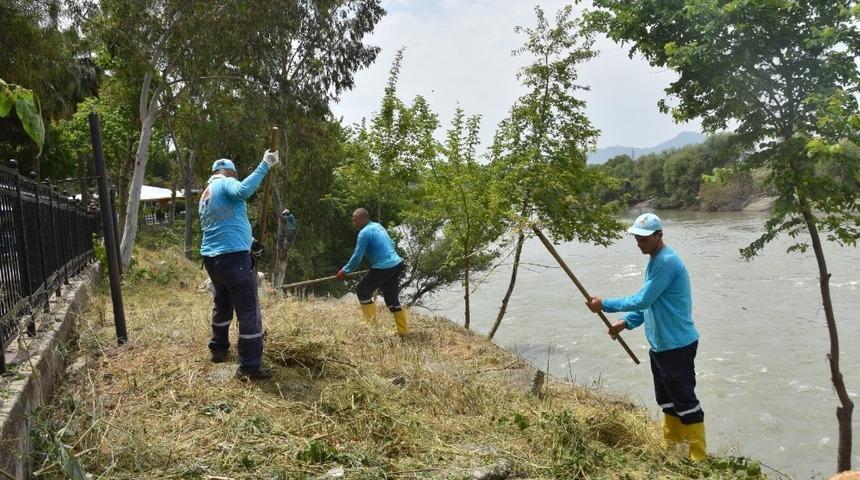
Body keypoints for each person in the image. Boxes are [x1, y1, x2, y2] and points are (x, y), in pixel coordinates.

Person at [584, 213, 706, 461]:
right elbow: (651, 304)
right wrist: (626, 322)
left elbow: (643, 299)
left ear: (660, 235)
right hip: (661, 345)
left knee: (685, 401)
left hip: (677, 345)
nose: (639, 243)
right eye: (637, 238)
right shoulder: (655, 260)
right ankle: (671, 448)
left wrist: (604, 305)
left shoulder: (666, 262)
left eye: (644, 238)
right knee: (667, 401)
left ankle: (699, 458)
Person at [199, 150, 279, 380]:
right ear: (231, 172)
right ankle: (249, 366)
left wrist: (251, 243)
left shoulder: (206, 194)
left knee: (223, 303)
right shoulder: (226, 183)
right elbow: (243, 191)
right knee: (248, 312)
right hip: (234, 259)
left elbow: (225, 225)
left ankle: (218, 348)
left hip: (214, 260)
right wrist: (265, 164)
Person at [337, 208, 408, 336]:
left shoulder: (364, 233)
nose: (354, 223)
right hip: (396, 264)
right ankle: (402, 331)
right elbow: (391, 243)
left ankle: (371, 327)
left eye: (355, 220)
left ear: (363, 218)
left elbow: (357, 255)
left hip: (384, 266)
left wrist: (345, 270)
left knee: (362, 291)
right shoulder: (378, 226)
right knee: (391, 298)